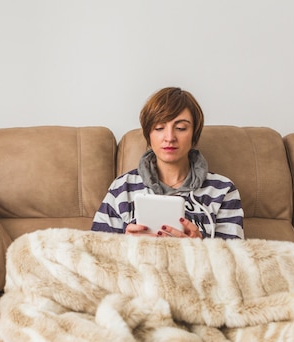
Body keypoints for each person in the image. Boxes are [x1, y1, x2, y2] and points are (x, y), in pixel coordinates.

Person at [91, 87, 244, 239]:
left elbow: (235, 259)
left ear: (194, 133)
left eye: (180, 128)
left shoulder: (223, 190)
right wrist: (126, 245)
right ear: (148, 135)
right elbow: (95, 250)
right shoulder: (122, 187)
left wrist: (199, 247)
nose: (169, 137)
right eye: (159, 127)